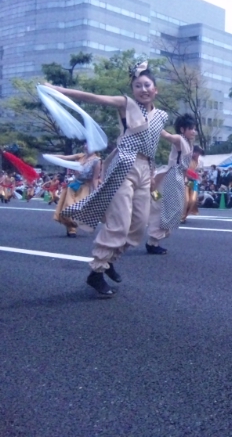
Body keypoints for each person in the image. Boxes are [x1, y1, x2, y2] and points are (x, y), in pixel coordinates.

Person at [48, 61, 169, 297]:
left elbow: (160, 136)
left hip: (146, 169)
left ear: (156, 89)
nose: (143, 89)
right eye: (137, 85)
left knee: (138, 226)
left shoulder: (161, 116)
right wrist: (59, 90)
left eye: (147, 85)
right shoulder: (126, 104)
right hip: (124, 165)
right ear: (132, 89)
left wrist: (180, 142)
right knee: (119, 223)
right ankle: (97, 271)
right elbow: (93, 98)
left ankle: (110, 259)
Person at [146, 114, 197, 255]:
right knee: (163, 207)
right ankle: (152, 242)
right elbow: (167, 136)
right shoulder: (179, 139)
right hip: (170, 178)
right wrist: (152, 122)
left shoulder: (188, 143)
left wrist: (190, 179)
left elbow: (185, 169)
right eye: (191, 128)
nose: (194, 131)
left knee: (165, 207)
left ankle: (153, 241)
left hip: (175, 179)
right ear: (182, 129)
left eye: (194, 129)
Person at [52, 146, 101, 237]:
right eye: (85, 143)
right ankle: (71, 228)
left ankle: (73, 225)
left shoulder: (96, 161)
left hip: (85, 186)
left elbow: (95, 178)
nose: (86, 146)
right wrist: (51, 157)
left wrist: (96, 192)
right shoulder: (80, 156)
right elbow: (65, 158)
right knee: (68, 206)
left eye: (89, 144)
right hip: (73, 185)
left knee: (78, 208)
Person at [181, 146, 204, 223]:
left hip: (193, 181)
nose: (195, 154)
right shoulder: (187, 159)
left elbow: (201, 172)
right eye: (194, 152)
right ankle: (182, 217)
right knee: (186, 200)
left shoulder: (200, 162)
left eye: (197, 152)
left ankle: (185, 216)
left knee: (193, 200)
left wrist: (198, 174)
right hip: (187, 180)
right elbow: (184, 170)